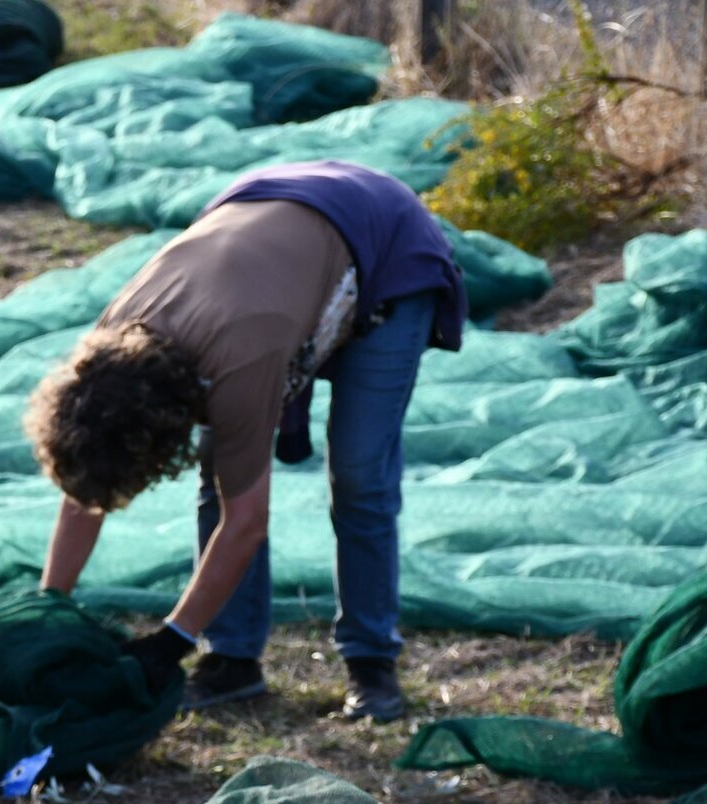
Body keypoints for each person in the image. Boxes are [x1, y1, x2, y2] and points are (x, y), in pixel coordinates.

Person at [25, 160, 468, 722]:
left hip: (383, 242)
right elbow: (84, 485)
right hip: (277, 238)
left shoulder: (240, 359)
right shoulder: (111, 347)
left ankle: (370, 661)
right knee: (221, 470)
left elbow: (246, 522)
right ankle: (232, 661)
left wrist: (170, 642)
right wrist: (48, 606)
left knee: (359, 473)